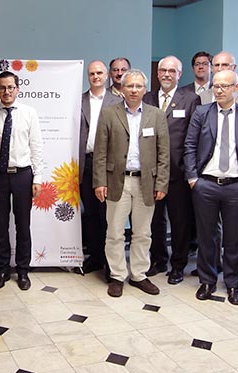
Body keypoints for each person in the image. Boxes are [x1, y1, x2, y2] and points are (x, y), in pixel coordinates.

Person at [183, 70, 238, 304]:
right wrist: (193, 178)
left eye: (225, 86)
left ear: (236, 88)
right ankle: (207, 281)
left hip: (237, 186)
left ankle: (234, 284)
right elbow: (189, 146)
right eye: (216, 86)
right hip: (206, 184)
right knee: (207, 236)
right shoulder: (201, 113)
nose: (219, 90)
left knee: (235, 238)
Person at [93, 69, 170, 298]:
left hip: (146, 183)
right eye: (130, 86)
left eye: (138, 86)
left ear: (145, 89)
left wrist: (162, 183)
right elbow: (100, 152)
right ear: (122, 89)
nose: (134, 90)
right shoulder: (109, 114)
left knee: (143, 233)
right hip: (117, 181)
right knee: (115, 232)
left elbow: (164, 153)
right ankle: (117, 275)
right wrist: (99, 182)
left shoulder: (156, 115)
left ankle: (138, 274)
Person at [0, 71, 43, 291]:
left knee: (23, 225)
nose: (6, 91)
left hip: (22, 175)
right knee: (0, 225)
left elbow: (36, 147)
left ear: (18, 88)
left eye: (10, 87)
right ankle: (3, 269)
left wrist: (38, 178)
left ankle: (23, 271)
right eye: (2, 88)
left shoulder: (29, 113)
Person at [142, 55, 201, 284]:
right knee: (155, 220)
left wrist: (190, 170)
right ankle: (158, 260)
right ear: (157, 74)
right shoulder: (147, 98)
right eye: (163, 70)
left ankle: (178, 265)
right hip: (151, 172)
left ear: (179, 74)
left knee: (180, 221)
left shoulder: (191, 99)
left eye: (171, 71)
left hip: (178, 172)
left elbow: (192, 137)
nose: (166, 74)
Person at [79, 60, 121, 275]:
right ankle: (95, 257)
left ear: (107, 76)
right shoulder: (79, 101)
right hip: (86, 163)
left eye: (99, 73)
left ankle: (109, 261)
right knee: (91, 213)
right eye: (92, 73)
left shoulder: (117, 101)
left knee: (108, 214)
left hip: (108, 166)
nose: (96, 76)